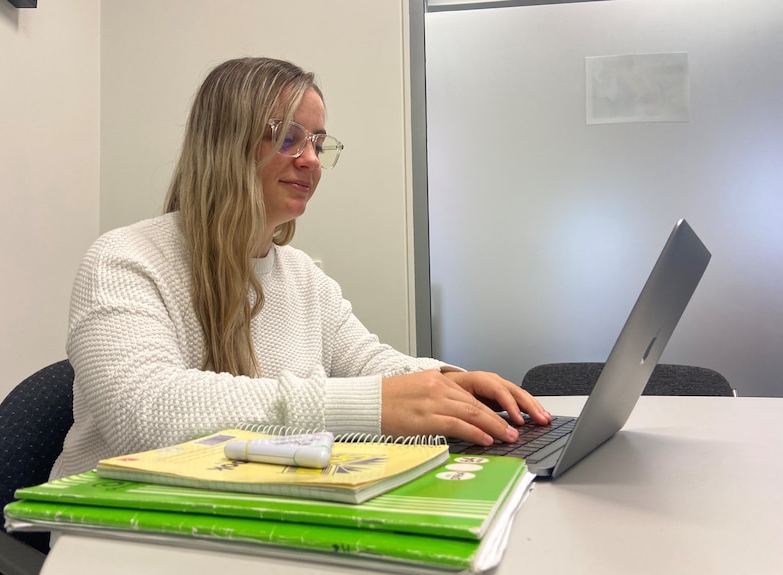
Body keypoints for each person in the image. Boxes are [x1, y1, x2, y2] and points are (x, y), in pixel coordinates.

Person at [50, 57, 551, 481]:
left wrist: (449, 383)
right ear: (225, 143)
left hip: (242, 516)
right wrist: (370, 405)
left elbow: (368, 362)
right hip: (120, 538)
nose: (311, 160)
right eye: (289, 138)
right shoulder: (123, 260)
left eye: (317, 141)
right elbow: (144, 414)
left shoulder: (303, 277)